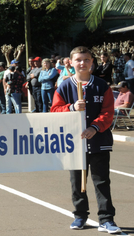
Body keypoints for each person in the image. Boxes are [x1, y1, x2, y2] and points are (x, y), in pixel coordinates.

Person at [51, 46, 121, 234]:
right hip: (74, 143)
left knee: (101, 181)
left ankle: (106, 219)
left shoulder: (101, 85)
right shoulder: (64, 86)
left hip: (99, 141)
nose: (82, 63)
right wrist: (72, 107)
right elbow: (55, 111)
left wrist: (94, 127)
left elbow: (108, 112)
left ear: (92, 62)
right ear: (71, 63)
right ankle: (80, 215)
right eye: (78, 60)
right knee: (77, 182)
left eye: (87, 59)